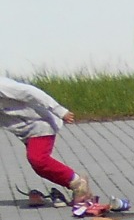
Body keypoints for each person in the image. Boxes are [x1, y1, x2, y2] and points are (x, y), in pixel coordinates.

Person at [1, 76, 93, 204]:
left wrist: (60, 111)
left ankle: (79, 184)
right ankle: (76, 185)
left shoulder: (3, 86)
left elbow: (31, 92)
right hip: (25, 129)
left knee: (38, 159)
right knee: (39, 166)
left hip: (40, 122)